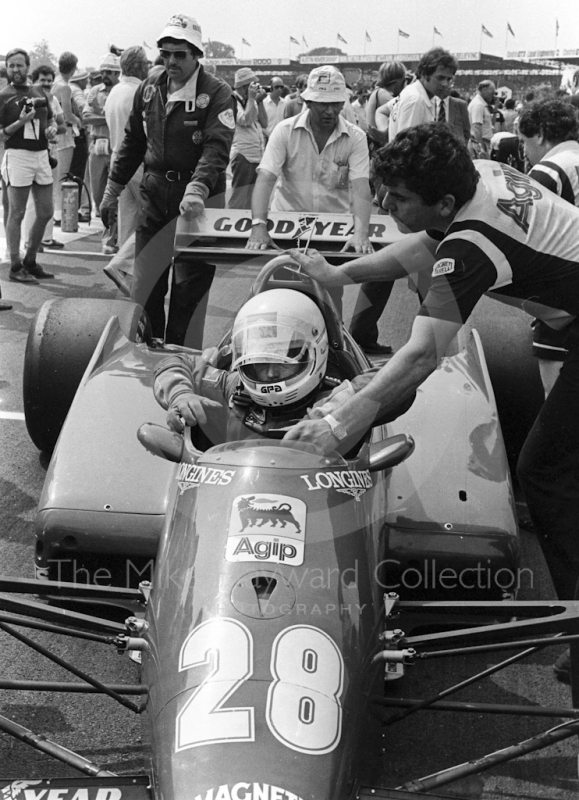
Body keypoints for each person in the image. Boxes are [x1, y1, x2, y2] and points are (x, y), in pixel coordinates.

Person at [284, 123, 579, 635]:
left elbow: (422, 355)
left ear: (443, 201)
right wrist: (337, 275)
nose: (384, 203)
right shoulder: (477, 178)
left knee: (546, 473)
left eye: (398, 197)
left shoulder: (472, 244)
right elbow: (419, 246)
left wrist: (335, 427)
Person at [100, 13, 234, 347]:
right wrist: (110, 192)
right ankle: (148, 360)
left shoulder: (217, 92)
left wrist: (198, 187)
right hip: (155, 197)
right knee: (146, 289)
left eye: (180, 54)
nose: (170, 61)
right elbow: (132, 144)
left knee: (188, 295)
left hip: (198, 207)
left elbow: (217, 147)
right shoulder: (148, 88)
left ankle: (183, 367)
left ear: (197, 55)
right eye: (165, 53)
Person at [153, 287, 409, 444]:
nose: (272, 373)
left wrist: (334, 420)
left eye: (282, 361)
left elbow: (404, 382)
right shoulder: (232, 387)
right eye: (260, 363)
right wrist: (181, 395)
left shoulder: (339, 397)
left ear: (317, 352)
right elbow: (173, 362)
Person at [246, 65, 373, 256]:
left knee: (330, 283)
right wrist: (258, 225)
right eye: (323, 103)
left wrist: (361, 233)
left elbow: (361, 185)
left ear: (343, 102)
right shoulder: (284, 131)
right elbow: (265, 177)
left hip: (334, 229)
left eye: (336, 103)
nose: (330, 111)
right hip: (286, 226)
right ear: (308, 101)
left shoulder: (356, 137)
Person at [518, 97, 579, 398]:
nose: (525, 152)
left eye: (525, 142)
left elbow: (521, 234)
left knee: (556, 403)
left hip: (564, 294)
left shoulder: (547, 172)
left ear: (540, 134)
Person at [0, 47, 58, 284]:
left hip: (41, 155)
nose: (15, 69)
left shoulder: (39, 91)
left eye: (19, 65)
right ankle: (15, 265)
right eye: (11, 65)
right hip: (17, 155)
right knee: (17, 212)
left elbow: (52, 119)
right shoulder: (4, 95)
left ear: (27, 66)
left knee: (46, 211)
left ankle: (30, 260)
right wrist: (19, 122)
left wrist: (52, 129)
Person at [83, 52, 120, 254]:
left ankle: (110, 238)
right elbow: (86, 117)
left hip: (116, 146)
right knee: (98, 195)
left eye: (110, 72)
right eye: (104, 71)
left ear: (117, 73)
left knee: (113, 195)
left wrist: (102, 114)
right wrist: (108, 116)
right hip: (97, 147)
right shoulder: (95, 91)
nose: (106, 75)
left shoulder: (122, 91)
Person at [388, 47, 458, 140]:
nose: (445, 84)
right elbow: (406, 147)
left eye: (448, 79)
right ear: (424, 74)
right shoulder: (416, 100)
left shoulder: (419, 94)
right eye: (440, 78)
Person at [228, 67, 267, 209]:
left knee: (251, 200)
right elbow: (245, 120)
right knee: (239, 198)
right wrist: (252, 99)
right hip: (242, 155)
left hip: (256, 155)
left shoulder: (250, 101)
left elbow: (264, 122)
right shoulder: (231, 100)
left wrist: (259, 102)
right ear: (244, 86)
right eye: (252, 85)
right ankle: (230, 227)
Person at [52, 52, 79, 231]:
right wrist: (80, 121)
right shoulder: (65, 87)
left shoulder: (54, 83)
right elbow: (68, 115)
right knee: (62, 174)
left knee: (56, 175)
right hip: (65, 134)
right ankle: (59, 213)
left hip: (54, 133)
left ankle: (56, 212)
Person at [468, 80, 496, 158]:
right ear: (484, 90)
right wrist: (481, 148)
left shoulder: (481, 104)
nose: (493, 96)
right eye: (492, 93)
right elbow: (476, 127)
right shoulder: (478, 105)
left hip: (483, 142)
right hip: (481, 143)